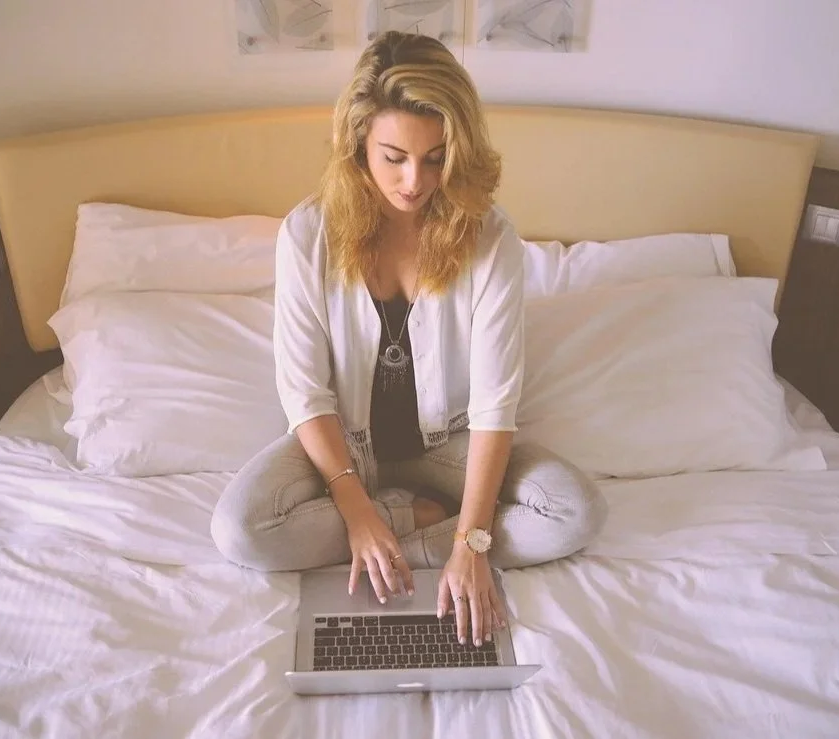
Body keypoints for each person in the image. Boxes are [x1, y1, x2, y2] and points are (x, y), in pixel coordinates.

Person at [211, 31, 606, 648]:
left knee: (573, 511)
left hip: (452, 442)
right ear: (357, 144)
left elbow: (495, 404)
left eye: (435, 158)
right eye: (393, 157)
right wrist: (357, 511)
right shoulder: (308, 234)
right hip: (344, 446)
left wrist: (471, 543)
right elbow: (305, 392)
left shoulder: (490, 239)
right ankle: (412, 520)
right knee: (241, 530)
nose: (414, 181)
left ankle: (421, 540)